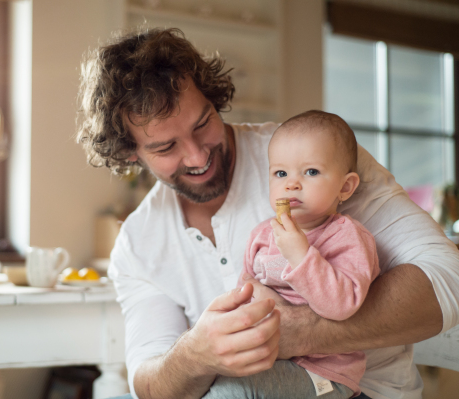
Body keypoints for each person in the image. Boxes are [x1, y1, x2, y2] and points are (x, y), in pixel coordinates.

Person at [76, 27, 459, 399]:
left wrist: (304, 331)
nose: (197, 156)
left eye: (203, 122)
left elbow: (450, 276)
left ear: (214, 99)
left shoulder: (316, 162)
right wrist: (193, 355)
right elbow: (150, 379)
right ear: (130, 153)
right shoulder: (138, 242)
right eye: (165, 147)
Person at [204, 110, 379, 399]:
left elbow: (343, 305)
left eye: (311, 172)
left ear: (345, 187)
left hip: (324, 373)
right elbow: (244, 289)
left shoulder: (347, 236)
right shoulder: (262, 234)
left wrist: (301, 255)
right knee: (207, 379)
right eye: (281, 173)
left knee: (232, 391)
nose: (292, 183)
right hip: (268, 360)